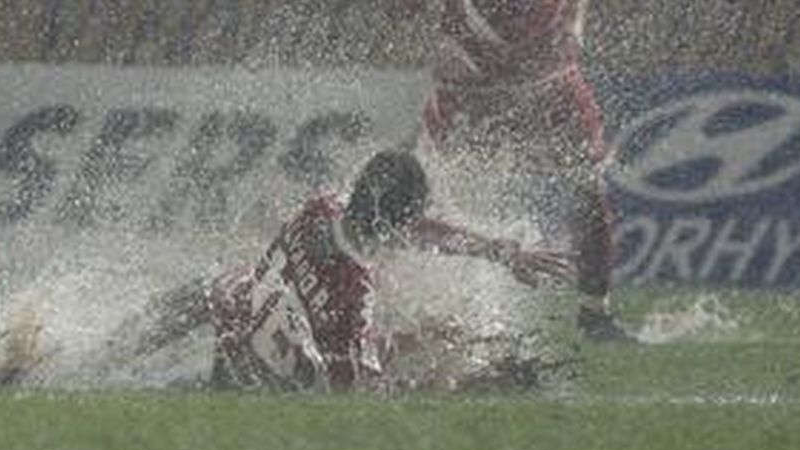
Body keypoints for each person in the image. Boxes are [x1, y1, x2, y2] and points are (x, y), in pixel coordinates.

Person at [393, 0, 627, 342]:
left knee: (588, 186)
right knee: (412, 184)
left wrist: (575, 23)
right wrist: (440, 41)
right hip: (475, 73)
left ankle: (595, 313)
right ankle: (391, 297)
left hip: (548, 68)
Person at [89, 149, 573, 393]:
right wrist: (464, 375)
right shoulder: (354, 296)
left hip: (218, 309)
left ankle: (73, 355)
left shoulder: (320, 208)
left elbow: (416, 230)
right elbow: (357, 385)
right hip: (241, 371)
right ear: (393, 224)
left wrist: (495, 250)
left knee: (93, 360)